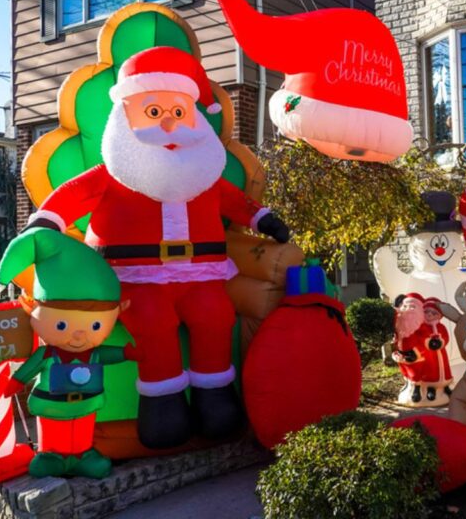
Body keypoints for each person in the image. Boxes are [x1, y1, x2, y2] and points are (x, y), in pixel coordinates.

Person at [25, 47, 290, 448]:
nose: (168, 122)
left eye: (178, 112)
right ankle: (162, 407)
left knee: (215, 313)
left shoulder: (204, 174)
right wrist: (45, 225)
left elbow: (235, 200)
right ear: (124, 115)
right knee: (152, 320)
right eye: (153, 112)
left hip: (201, 274)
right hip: (136, 277)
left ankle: (215, 401)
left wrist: (263, 218)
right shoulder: (113, 175)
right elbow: (69, 198)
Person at [0, 228, 130, 478]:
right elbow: (30, 368)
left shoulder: (95, 353)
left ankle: (82, 455)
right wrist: (16, 382)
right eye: (62, 325)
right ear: (33, 309)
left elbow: (109, 355)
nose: (79, 336)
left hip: (86, 405)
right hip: (52, 406)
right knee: (54, 433)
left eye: (94, 326)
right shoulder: (48, 354)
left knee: (81, 432)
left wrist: (127, 352)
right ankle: (52, 455)